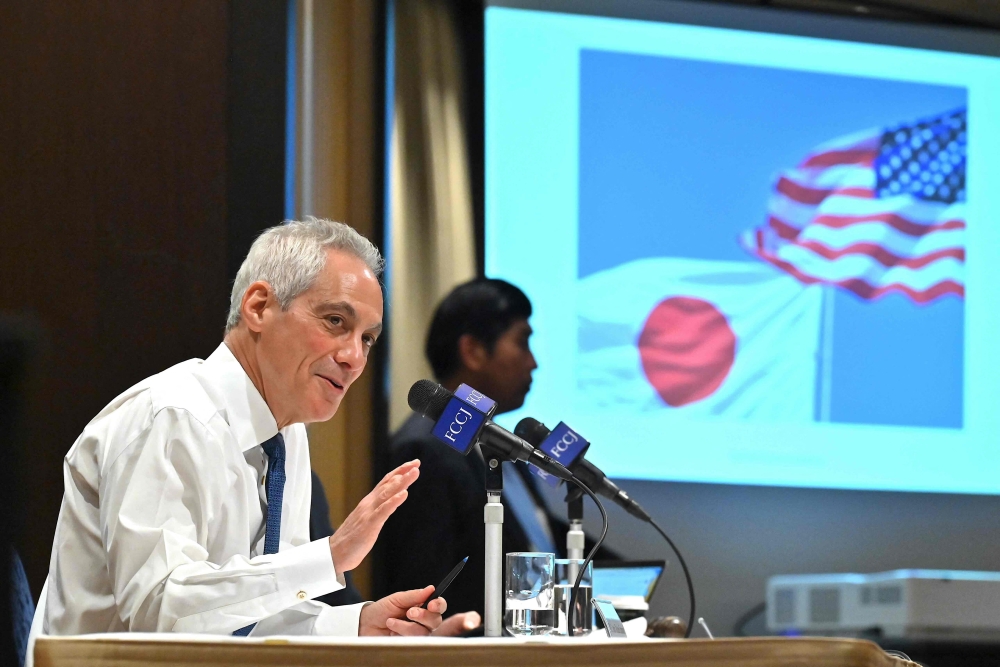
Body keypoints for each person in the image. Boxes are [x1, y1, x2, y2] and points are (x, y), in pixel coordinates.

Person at [33, 218, 480, 642]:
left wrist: (359, 626)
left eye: (366, 338)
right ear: (259, 307)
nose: (354, 358)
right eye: (335, 322)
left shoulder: (286, 435)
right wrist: (328, 556)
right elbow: (160, 611)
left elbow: (251, 618)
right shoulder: (171, 416)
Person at [378, 279, 567, 617]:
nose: (533, 362)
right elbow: (421, 590)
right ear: (473, 351)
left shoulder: (495, 439)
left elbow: (537, 537)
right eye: (522, 342)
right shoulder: (424, 451)